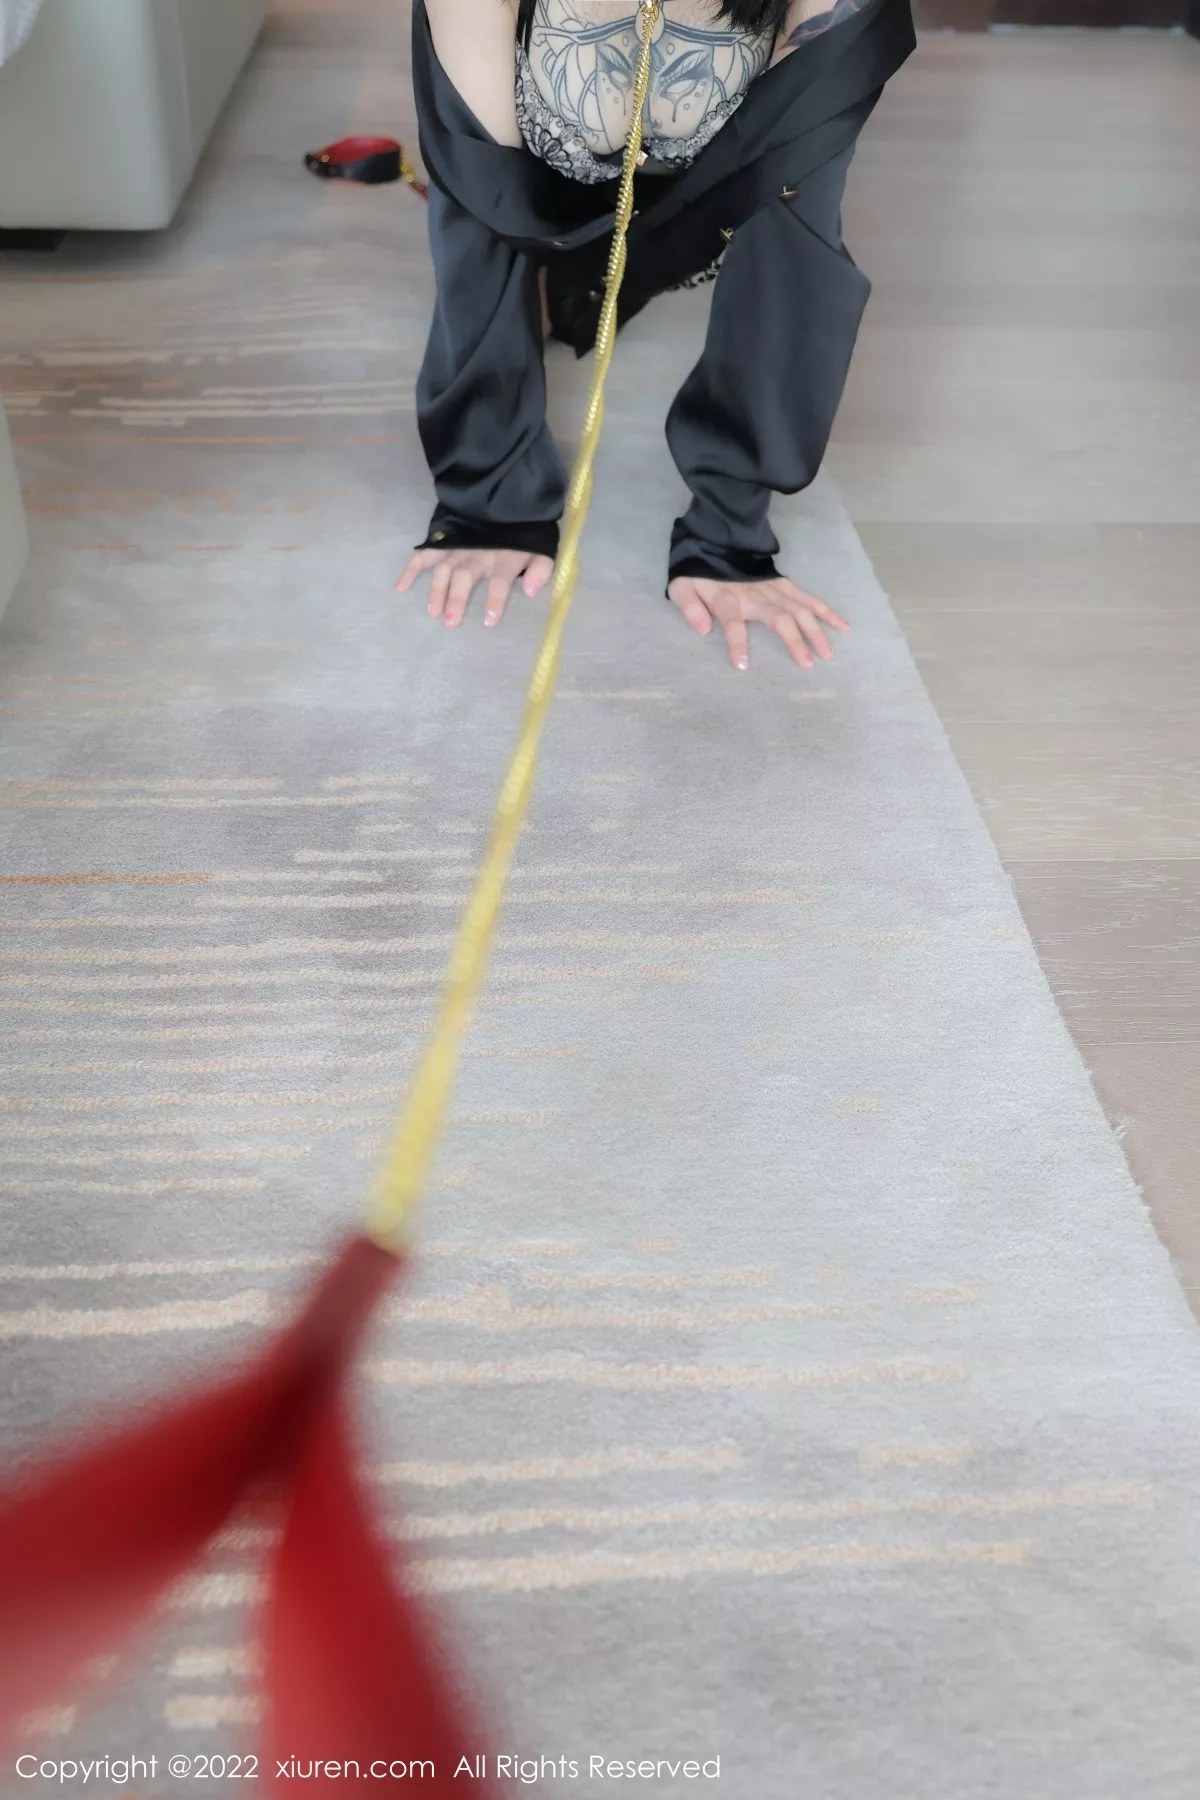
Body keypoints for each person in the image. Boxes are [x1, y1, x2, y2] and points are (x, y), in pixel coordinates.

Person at [397, 0, 914, 671]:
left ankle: (594, 284)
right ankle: (571, 285)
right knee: (555, 301)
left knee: (758, 215)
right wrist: (487, 499)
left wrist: (728, 534)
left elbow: (792, 228)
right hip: (541, 197)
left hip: (708, 207)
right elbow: (480, 203)